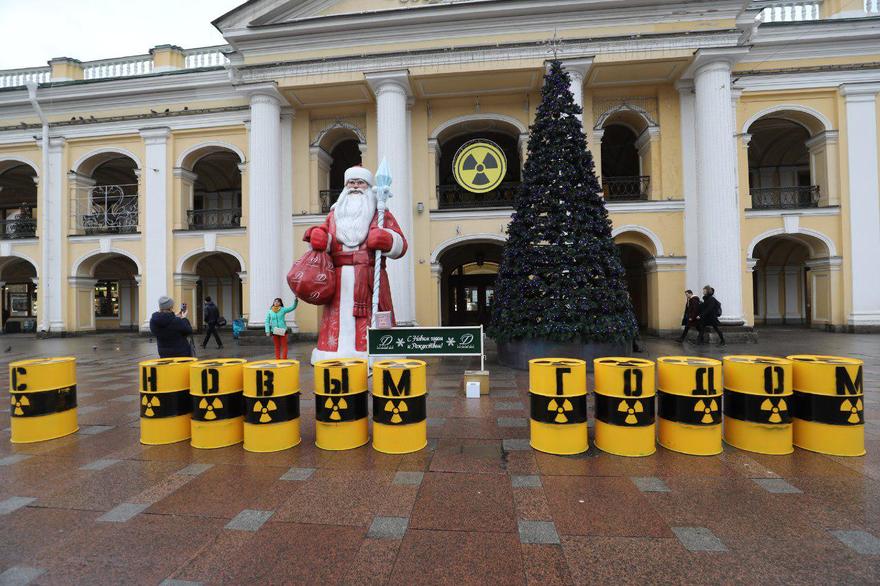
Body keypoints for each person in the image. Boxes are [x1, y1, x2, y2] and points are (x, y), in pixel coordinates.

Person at [304, 165, 408, 363]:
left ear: (368, 187)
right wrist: (319, 238)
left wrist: (387, 240)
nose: (355, 187)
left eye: (360, 183)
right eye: (351, 183)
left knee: (376, 316)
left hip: (369, 277)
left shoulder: (380, 213)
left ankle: (378, 351)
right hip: (339, 279)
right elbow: (325, 239)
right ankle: (333, 352)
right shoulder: (334, 214)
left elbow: (401, 245)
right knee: (337, 317)